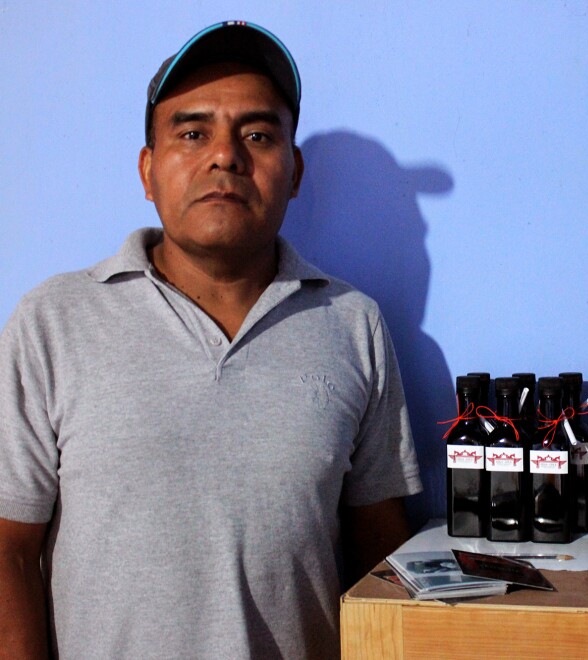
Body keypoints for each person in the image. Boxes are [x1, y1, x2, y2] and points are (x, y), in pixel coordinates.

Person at [0, 20, 422, 659]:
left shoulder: (352, 324)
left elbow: (381, 560)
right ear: (148, 170)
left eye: (257, 133)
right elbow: (7, 548)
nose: (225, 155)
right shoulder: (54, 321)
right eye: (192, 132)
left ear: (295, 169)